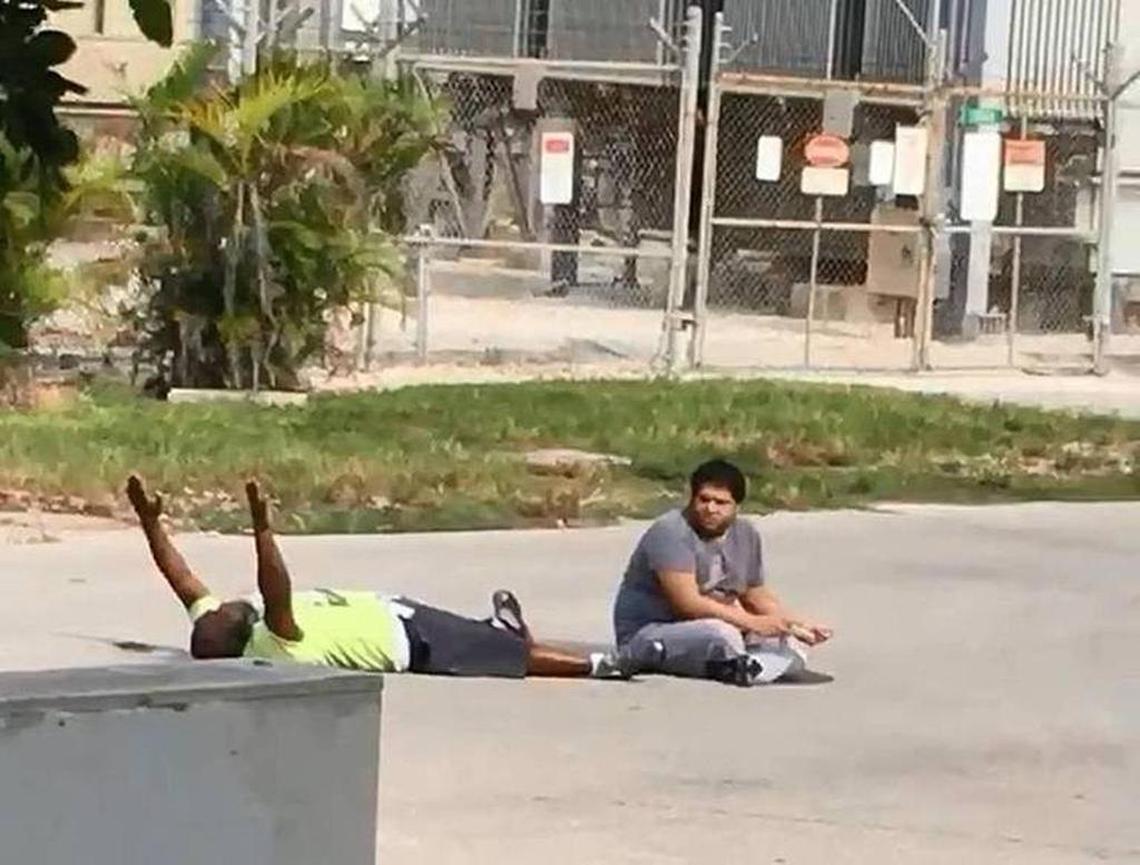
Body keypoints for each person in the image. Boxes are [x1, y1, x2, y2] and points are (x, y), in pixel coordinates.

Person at [127, 475, 629, 680]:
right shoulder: (273, 643)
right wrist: (261, 526)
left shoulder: (224, 627)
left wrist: (149, 521)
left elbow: (182, 578)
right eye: (225, 612)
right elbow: (276, 584)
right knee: (518, 660)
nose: (221, 603)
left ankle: (497, 630)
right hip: (412, 642)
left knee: (489, 642)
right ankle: (605, 665)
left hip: (398, 611)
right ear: (239, 634)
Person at [613, 459, 832, 686]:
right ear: (692, 497)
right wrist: (753, 623)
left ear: (737, 506)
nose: (710, 509)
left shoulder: (745, 534)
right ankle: (745, 665)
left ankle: (745, 668)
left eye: (721, 502)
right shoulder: (670, 532)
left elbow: (755, 595)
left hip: (717, 624)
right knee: (722, 634)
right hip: (653, 630)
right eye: (704, 499)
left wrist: (793, 623)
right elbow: (688, 604)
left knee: (793, 644)